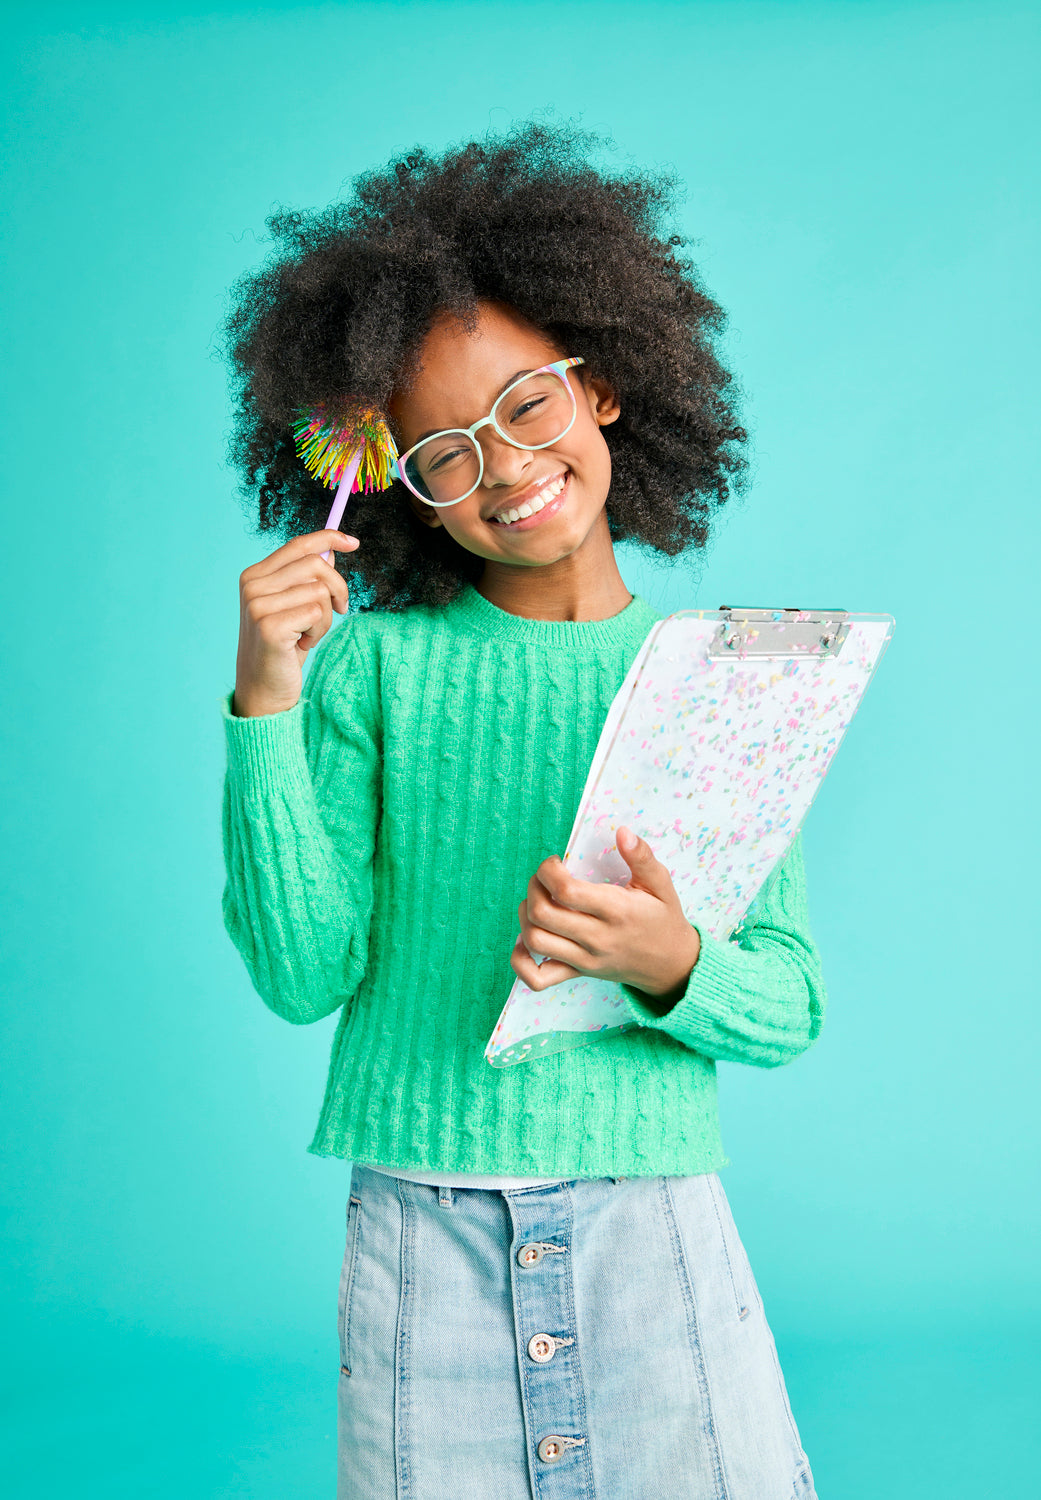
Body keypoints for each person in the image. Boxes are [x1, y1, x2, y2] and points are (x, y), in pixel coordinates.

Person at [219, 122, 825, 1499]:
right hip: (419, 1228)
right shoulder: (368, 666)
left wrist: (662, 966)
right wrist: (265, 706)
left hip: (650, 1228)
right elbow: (301, 974)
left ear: (605, 386)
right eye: (440, 453)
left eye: (526, 407)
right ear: (399, 498)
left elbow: (786, 1005)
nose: (499, 468)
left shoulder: (724, 680)